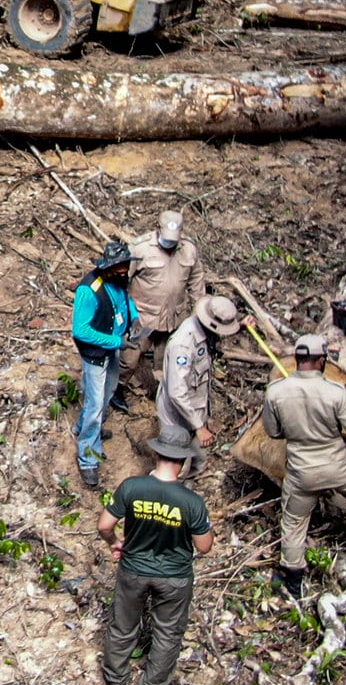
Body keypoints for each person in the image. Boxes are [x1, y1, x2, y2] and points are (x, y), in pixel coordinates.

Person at [262, 335, 346, 599]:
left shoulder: (276, 391)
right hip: (342, 470)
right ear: (322, 361)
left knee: (294, 521)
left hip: (302, 474)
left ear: (297, 360)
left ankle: (292, 582)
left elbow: (273, 431)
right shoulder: (336, 392)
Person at [99, 437, 214, 685]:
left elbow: (104, 525)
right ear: (183, 461)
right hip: (174, 576)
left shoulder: (132, 487)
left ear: (156, 454)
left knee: (123, 626)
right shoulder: (191, 501)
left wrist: (115, 542)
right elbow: (204, 546)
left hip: (133, 570)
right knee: (167, 634)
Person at [70, 242, 137, 490]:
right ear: (108, 267)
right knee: (95, 406)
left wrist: (136, 319)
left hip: (113, 350)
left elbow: (124, 302)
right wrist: (116, 341)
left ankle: (85, 429)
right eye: (119, 268)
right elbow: (81, 330)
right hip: (97, 354)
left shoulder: (118, 281)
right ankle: (88, 457)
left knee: (105, 395)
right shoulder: (89, 291)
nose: (124, 272)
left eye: (125, 267)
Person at [154, 294, 243, 473]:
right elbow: (176, 392)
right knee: (173, 466)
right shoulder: (184, 344)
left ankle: (192, 484)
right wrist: (199, 427)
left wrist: (242, 327)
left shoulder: (206, 331)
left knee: (199, 459)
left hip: (196, 409)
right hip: (177, 416)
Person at [123, 209, 208, 392]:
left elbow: (196, 282)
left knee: (167, 362)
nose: (170, 243)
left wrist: (196, 316)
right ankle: (117, 389)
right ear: (157, 228)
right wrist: (124, 314)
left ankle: (161, 393)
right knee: (129, 359)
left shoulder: (188, 250)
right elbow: (122, 281)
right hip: (143, 317)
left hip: (174, 318)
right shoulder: (140, 249)